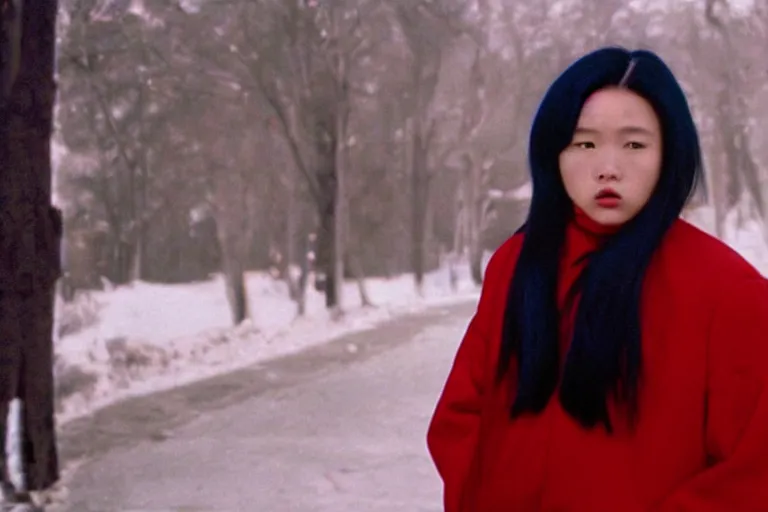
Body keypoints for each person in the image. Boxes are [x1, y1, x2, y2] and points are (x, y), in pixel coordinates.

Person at [426, 46, 768, 511]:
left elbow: (753, 471)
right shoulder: (517, 265)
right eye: (584, 143)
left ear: (670, 153)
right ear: (554, 153)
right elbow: (460, 416)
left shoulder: (729, 291)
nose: (608, 167)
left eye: (634, 144)